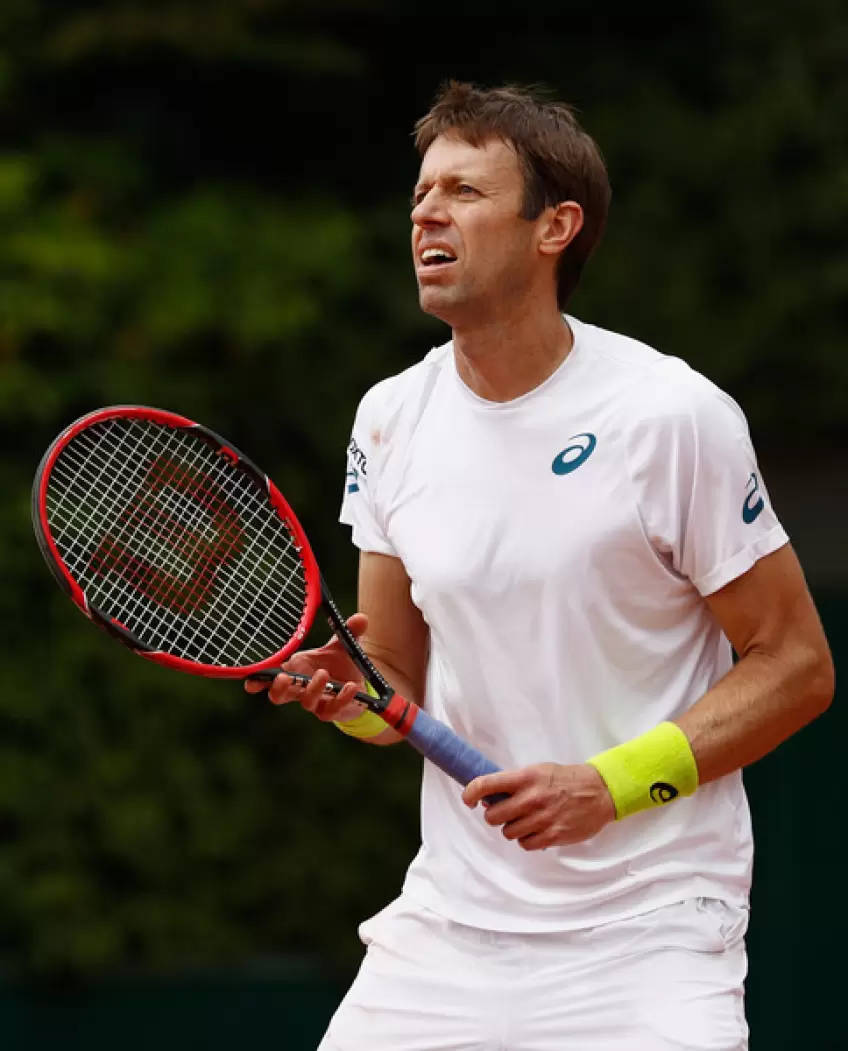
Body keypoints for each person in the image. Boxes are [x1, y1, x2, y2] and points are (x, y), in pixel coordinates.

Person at [246, 81, 834, 1050]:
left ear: (554, 226)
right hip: (449, 933)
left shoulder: (670, 417)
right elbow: (389, 675)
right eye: (420, 194)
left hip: (649, 933)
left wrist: (605, 784)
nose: (427, 212)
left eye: (464, 192)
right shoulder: (387, 419)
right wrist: (344, 694)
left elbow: (794, 666)